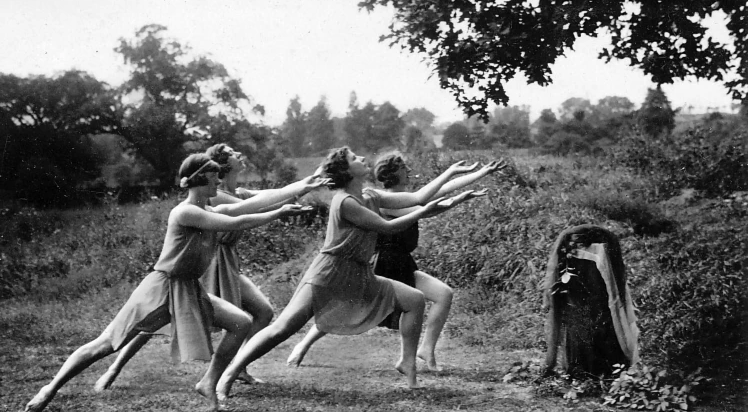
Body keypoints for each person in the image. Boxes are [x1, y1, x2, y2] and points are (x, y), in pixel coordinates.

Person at [25, 154, 314, 412]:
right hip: (162, 288)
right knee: (105, 345)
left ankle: (208, 383)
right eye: (214, 179)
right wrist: (278, 213)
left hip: (188, 288)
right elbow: (238, 221)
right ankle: (49, 389)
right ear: (200, 180)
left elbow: (251, 205)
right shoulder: (186, 212)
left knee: (239, 322)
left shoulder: (208, 207)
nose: (218, 184)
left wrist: (300, 187)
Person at [215, 146, 484, 398]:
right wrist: (428, 209)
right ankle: (228, 374)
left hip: (359, 273)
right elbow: (387, 227)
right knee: (282, 328)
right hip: (330, 272)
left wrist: (452, 176)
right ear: (346, 172)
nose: (363, 160)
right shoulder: (345, 202)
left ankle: (408, 365)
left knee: (413, 300)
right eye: (355, 159)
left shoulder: (370, 196)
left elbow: (418, 198)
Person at [93, 144, 328, 392]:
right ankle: (114, 368)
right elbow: (256, 208)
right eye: (233, 153)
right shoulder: (215, 197)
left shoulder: (237, 191)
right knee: (158, 319)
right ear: (222, 165)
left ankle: (236, 369)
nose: (239, 154)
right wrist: (288, 200)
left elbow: (274, 194)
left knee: (262, 311)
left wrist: (308, 182)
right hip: (206, 263)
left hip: (227, 262)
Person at [286, 152, 506, 371]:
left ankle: (425, 350)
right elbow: (424, 207)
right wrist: (455, 196)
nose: (408, 170)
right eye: (403, 167)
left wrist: (479, 173)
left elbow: (430, 195)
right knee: (346, 306)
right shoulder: (381, 200)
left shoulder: (399, 196)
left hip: (403, 263)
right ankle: (303, 345)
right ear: (393, 173)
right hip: (382, 263)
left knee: (443, 294)